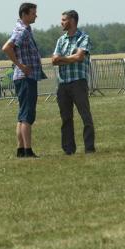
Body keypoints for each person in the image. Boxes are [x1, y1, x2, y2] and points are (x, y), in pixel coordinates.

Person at [2, 2, 45, 158]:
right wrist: (20, 65)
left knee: (22, 116)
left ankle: (20, 150)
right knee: (27, 115)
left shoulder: (23, 29)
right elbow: (7, 48)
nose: (36, 16)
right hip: (26, 77)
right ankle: (28, 150)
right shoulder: (22, 31)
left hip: (23, 77)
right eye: (33, 13)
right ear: (24, 15)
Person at [52, 10, 96, 155]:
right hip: (63, 84)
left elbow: (79, 57)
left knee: (85, 115)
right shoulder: (61, 40)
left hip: (78, 82)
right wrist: (69, 58)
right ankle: (68, 149)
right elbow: (54, 60)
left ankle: (89, 148)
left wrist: (62, 59)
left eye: (64, 20)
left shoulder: (83, 37)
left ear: (72, 21)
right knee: (66, 118)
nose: (61, 22)